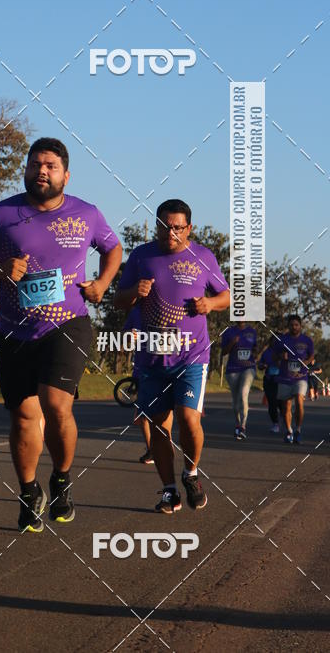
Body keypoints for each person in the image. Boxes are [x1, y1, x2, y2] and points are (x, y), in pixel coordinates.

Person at [0, 138, 122, 532]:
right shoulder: (2, 214)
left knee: (56, 405)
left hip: (69, 324)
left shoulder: (87, 214)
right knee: (24, 417)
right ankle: (29, 491)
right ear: (26, 171)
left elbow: (113, 249)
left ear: (66, 174)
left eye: (50, 165)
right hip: (16, 332)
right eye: (34, 165)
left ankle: (61, 479)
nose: (41, 171)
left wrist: (102, 283)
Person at [113, 199, 230, 514]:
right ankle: (169, 491)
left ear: (189, 228)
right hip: (152, 359)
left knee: (188, 418)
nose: (172, 233)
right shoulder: (141, 256)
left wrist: (210, 304)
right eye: (166, 227)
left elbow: (226, 295)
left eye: (178, 228)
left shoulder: (203, 256)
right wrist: (134, 292)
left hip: (192, 355)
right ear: (157, 226)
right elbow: (118, 301)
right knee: (159, 427)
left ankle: (191, 474)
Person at [271, 315, 314, 444]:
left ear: (300, 326)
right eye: (291, 325)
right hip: (285, 377)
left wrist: (306, 361)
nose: (294, 327)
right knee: (286, 407)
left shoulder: (307, 340)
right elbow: (273, 356)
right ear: (288, 326)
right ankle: (289, 430)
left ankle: (298, 430)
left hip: (301, 377)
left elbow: (312, 355)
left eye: (296, 325)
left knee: (299, 400)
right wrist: (280, 356)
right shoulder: (282, 340)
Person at [220, 322, 257, 440]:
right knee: (236, 399)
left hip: (248, 368)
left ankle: (243, 426)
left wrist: (255, 356)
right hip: (233, 369)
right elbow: (223, 352)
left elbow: (256, 349)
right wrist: (232, 342)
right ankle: (237, 423)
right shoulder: (228, 331)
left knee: (243, 393)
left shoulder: (252, 331)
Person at [258, 345, 281, 432]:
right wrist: (263, 366)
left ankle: (286, 421)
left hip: (282, 380)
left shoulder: (286, 351)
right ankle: (275, 423)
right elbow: (259, 366)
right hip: (269, 380)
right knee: (272, 403)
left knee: (282, 403)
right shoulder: (266, 352)